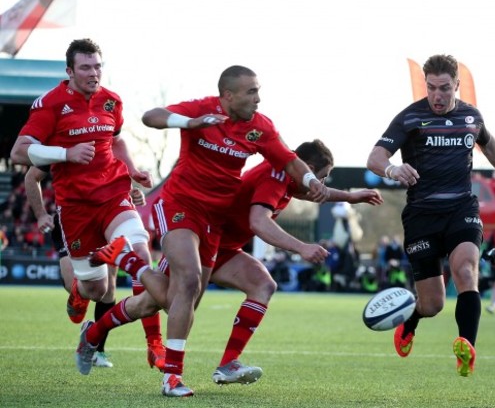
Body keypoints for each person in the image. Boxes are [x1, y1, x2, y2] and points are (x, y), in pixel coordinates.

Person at [89, 65, 331, 397]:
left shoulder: (260, 128)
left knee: (169, 301)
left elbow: (290, 161)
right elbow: (150, 116)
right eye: (251, 92)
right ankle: (172, 377)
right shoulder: (203, 109)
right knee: (185, 284)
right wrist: (188, 123)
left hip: (213, 223)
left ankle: (121, 282)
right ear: (228, 95)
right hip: (179, 205)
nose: (258, 98)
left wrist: (313, 181)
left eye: (258, 91)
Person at [366, 54, 495, 377]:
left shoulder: (471, 117)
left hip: (462, 208)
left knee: (465, 269)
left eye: (444, 88)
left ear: (456, 86)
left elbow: (490, 147)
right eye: (431, 88)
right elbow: (375, 157)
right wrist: (392, 169)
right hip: (422, 215)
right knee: (433, 303)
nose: (437, 95)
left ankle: (466, 346)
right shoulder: (409, 118)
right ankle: (412, 321)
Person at [9, 39, 166, 372]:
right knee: (96, 288)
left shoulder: (112, 101)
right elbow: (19, 152)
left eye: (98, 66)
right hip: (76, 208)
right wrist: (66, 153)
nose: (94, 73)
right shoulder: (50, 104)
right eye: (85, 67)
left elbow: (117, 139)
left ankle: (155, 345)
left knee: (141, 254)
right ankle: (84, 302)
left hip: (113, 195)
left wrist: (133, 170)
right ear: (69, 71)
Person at [193, 139, 382, 384]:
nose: (322, 184)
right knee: (156, 301)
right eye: (321, 177)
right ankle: (149, 328)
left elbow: (310, 194)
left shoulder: (289, 174)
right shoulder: (277, 175)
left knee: (263, 285)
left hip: (223, 247)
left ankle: (228, 364)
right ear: (309, 167)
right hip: (203, 244)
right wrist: (301, 247)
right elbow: (259, 222)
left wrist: (351, 197)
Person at [23, 165, 163, 368]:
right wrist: (41, 214)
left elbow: (121, 170)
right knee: (89, 289)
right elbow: (29, 171)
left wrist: (134, 191)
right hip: (75, 218)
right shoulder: (64, 140)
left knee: (112, 285)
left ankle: (99, 349)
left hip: (110, 212)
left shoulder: (111, 138)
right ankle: (79, 296)